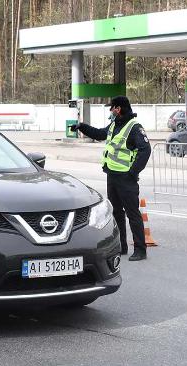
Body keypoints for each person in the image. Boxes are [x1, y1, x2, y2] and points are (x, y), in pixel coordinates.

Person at [70, 96, 150, 261]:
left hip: (126, 178)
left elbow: (145, 150)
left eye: (111, 108)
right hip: (112, 176)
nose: (110, 111)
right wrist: (81, 126)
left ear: (118, 109)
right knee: (116, 213)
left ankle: (141, 250)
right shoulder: (115, 124)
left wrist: (133, 173)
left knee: (132, 214)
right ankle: (121, 246)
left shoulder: (134, 127)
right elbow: (99, 134)